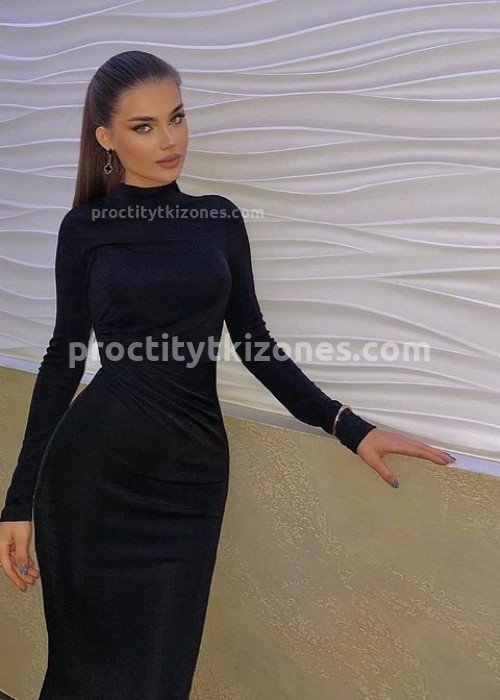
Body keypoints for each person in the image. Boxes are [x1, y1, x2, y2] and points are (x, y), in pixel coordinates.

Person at [0, 50, 456, 699]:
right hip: (93, 478)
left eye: (176, 117)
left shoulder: (217, 219)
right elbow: (63, 356)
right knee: (82, 676)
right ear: (105, 138)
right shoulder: (86, 229)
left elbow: (255, 343)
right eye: (144, 126)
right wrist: (18, 502)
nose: (169, 139)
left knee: (159, 680)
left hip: (189, 482)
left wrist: (350, 427)